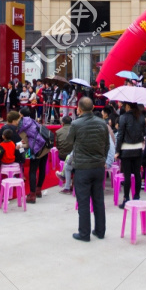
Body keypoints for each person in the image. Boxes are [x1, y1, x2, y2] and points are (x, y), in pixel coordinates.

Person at [60, 97, 108, 242]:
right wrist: (102, 159)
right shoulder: (102, 123)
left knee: (83, 201)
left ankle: (84, 233)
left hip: (82, 167)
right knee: (98, 200)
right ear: (93, 108)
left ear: (79, 109)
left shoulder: (76, 124)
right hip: (98, 166)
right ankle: (100, 231)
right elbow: (106, 145)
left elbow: (69, 141)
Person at [115, 102, 145, 208]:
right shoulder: (141, 117)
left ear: (127, 106)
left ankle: (126, 199)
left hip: (126, 149)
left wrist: (117, 151)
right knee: (137, 174)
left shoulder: (123, 117)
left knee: (127, 175)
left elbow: (120, 135)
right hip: (138, 149)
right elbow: (144, 133)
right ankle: (136, 197)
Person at [18, 107, 49, 203]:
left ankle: (32, 195)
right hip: (46, 146)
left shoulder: (23, 126)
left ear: (21, 115)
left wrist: (20, 146)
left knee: (32, 171)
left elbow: (27, 143)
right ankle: (38, 190)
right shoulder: (33, 121)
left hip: (37, 149)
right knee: (42, 168)